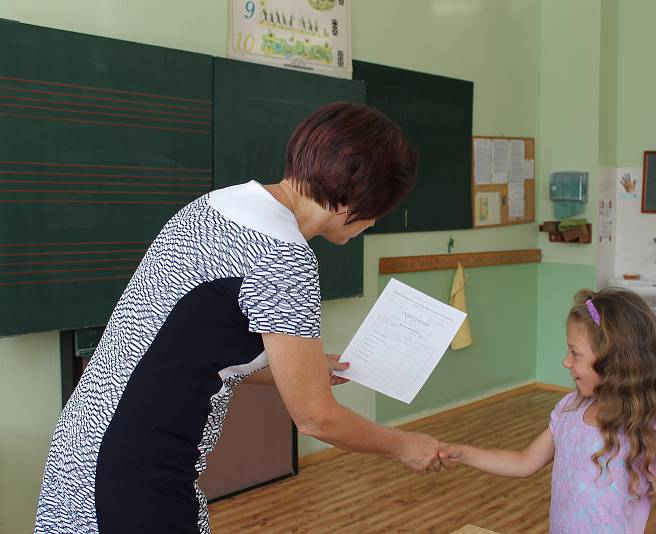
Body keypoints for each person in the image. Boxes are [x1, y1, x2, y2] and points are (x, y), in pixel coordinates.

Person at [35, 102, 446, 534]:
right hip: (137, 463)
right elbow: (315, 417)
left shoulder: (218, 205)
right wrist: (404, 445)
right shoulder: (283, 256)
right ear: (361, 197)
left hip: (85, 441)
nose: (375, 221)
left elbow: (197, 352)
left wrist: (304, 370)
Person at [440, 288, 656, 534]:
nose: (566, 362)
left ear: (614, 361)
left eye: (575, 353)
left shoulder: (653, 437)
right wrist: (463, 453)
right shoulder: (569, 410)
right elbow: (524, 462)